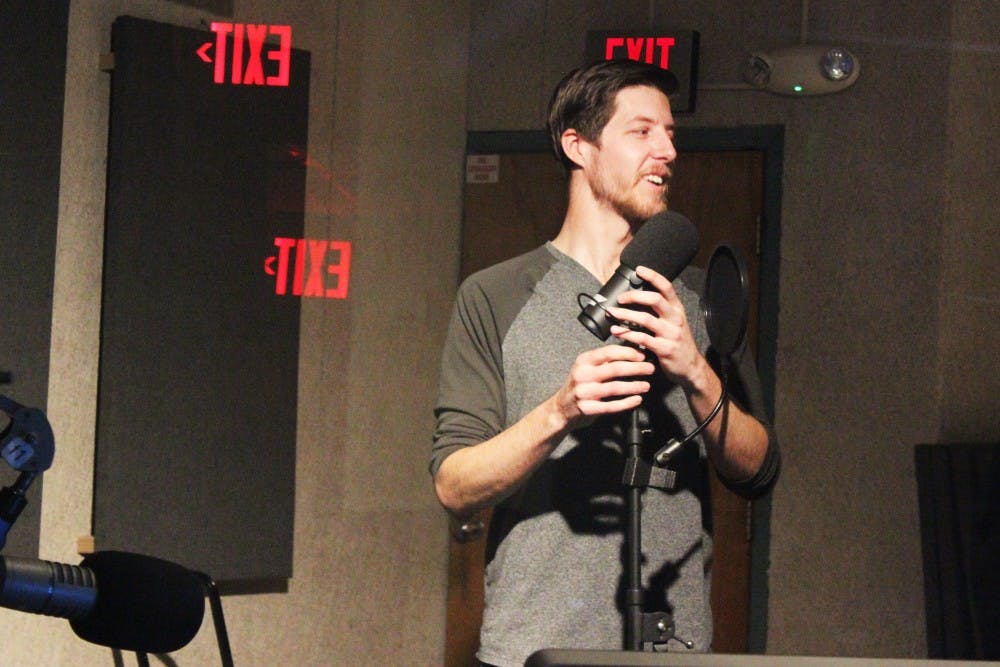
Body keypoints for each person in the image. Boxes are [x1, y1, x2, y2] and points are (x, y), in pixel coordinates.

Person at [429, 59, 780, 667]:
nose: (667, 150)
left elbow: (759, 468)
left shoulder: (696, 299)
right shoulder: (494, 295)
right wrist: (559, 411)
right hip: (535, 645)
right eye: (642, 131)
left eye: (671, 134)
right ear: (578, 146)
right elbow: (454, 485)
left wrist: (696, 371)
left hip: (675, 645)